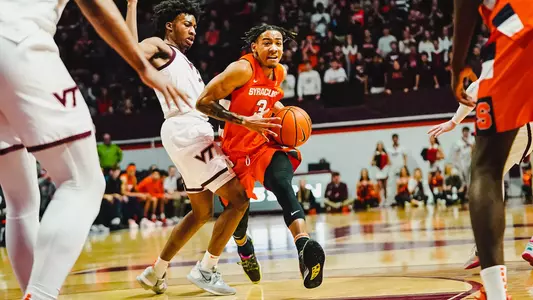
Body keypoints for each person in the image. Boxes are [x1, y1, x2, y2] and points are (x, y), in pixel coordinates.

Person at [0, 0, 188, 298]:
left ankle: (32, 292)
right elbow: (96, 4)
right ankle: (40, 294)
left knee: (20, 202)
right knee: (83, 183)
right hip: (16, 41)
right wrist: (141, 66)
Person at [127, 1, 278, 295]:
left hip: (189, 131)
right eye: (187, 24)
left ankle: (155, 272)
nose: (193, 30)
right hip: (187, 129)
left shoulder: (185, 62)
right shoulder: (160, 46)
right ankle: (207, 269)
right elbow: (132, 50)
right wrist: (132, 4)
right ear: (170, 25)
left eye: (195, 26)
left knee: (200, 212)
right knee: (238, 200)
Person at [195, 24, 326, 289]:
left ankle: (303, 245)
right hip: (233, 150)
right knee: (237, 217)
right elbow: (203, 102)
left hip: (262, 143)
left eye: (278, 42)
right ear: (254, 46)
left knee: (282, 183)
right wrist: (243, 120)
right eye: (267, 42)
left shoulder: (280, 72)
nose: (274, 48)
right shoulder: (242, 69)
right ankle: (244, 247)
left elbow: (268, 101)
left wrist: (284, 115)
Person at [431, 0, 533, 289]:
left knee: (487, 172)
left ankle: (491, 275)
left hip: (519, 33)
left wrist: (456, 64)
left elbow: (473, 89)